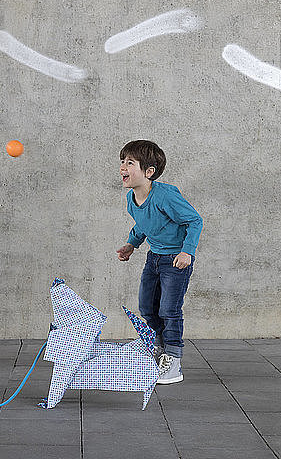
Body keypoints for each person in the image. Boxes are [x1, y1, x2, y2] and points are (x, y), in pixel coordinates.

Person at [116, 140, 203, 384]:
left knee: (169, 310)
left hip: (176, 261)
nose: (123, 167)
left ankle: (173, 360)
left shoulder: (165, 196)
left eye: (130, 163)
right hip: (154, 258)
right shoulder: (132, 199)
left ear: (149, 172)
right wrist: (131, 245)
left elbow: (194, 221)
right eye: (122, 162)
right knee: (147, 308)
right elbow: (143, 225)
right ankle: (160, 348)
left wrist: (187, 251)